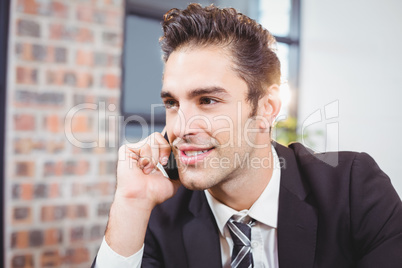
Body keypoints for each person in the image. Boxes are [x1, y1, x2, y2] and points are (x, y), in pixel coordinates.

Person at [92, 4, 402, 268]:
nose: (180, 128)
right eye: (172, 103)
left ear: (267, 108)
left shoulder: (352, 189)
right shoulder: (158, 215)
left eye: (207, 100)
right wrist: (130, 203)